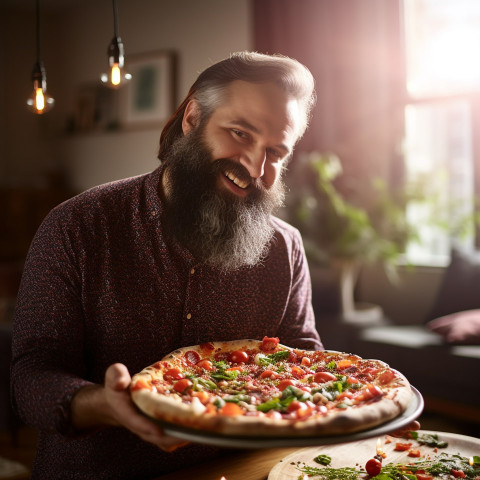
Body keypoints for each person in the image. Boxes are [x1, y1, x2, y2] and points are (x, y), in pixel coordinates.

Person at [11, 51, 323, 479]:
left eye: (275, 152)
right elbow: (29, 379)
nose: (254, 166)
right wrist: (106, 406)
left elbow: (306, 360)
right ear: (193, 118)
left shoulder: (285, 247)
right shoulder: (77, 225)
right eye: (239, 133)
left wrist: (368, 413)